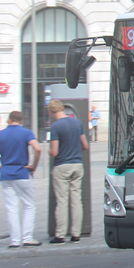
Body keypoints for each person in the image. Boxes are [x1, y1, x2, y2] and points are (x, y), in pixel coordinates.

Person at [0, 111, 43, 248]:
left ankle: (15, 241)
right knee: (28, 205)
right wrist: (33, 166)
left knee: (11, 207)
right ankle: (27, 238)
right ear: (21, 121)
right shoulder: (26, 133)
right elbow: (37, 149)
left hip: (5, 174)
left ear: (9, 120)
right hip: (23, 173)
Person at [48, 99, 89, 244]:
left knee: (62, 201)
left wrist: (49, 151)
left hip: (62, 166)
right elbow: (85, 145)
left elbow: (54, 152)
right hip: (77, 165)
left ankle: (60, 235)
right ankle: (76, 234)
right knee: (76, 200)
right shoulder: (77, 123)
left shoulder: (55, 126)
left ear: (51, 112)